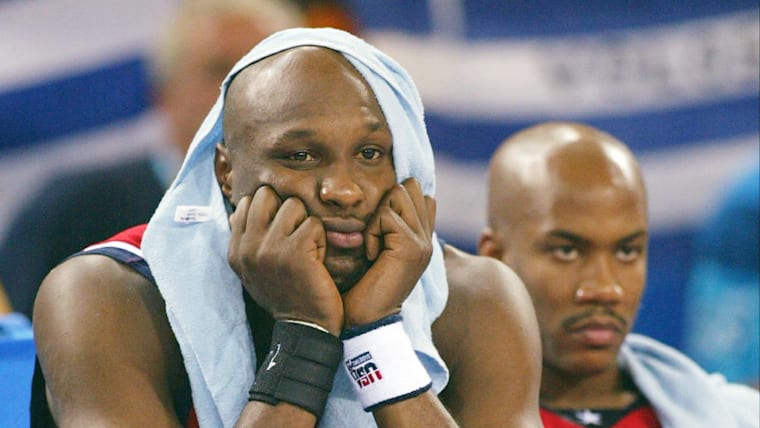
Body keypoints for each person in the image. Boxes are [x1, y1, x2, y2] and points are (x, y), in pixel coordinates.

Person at [32, 28, 542, 427]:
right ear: (227, 173)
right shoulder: (104, 295)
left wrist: (378, 338)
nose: (343, 190)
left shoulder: (476, 297)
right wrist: (304, 334)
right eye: (300, 156)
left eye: (370, 154)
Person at [0, 0, 304, 319]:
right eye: (219, 70)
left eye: (267, 69)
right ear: (163, 93)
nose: (246, 89)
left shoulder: (329, 205)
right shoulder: (69, 211)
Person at [478, 122, 760, 427]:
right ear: (496, 259)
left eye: (627, 252)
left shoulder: (739, 417)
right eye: (566, 251)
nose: (605, 289)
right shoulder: (448, 414)